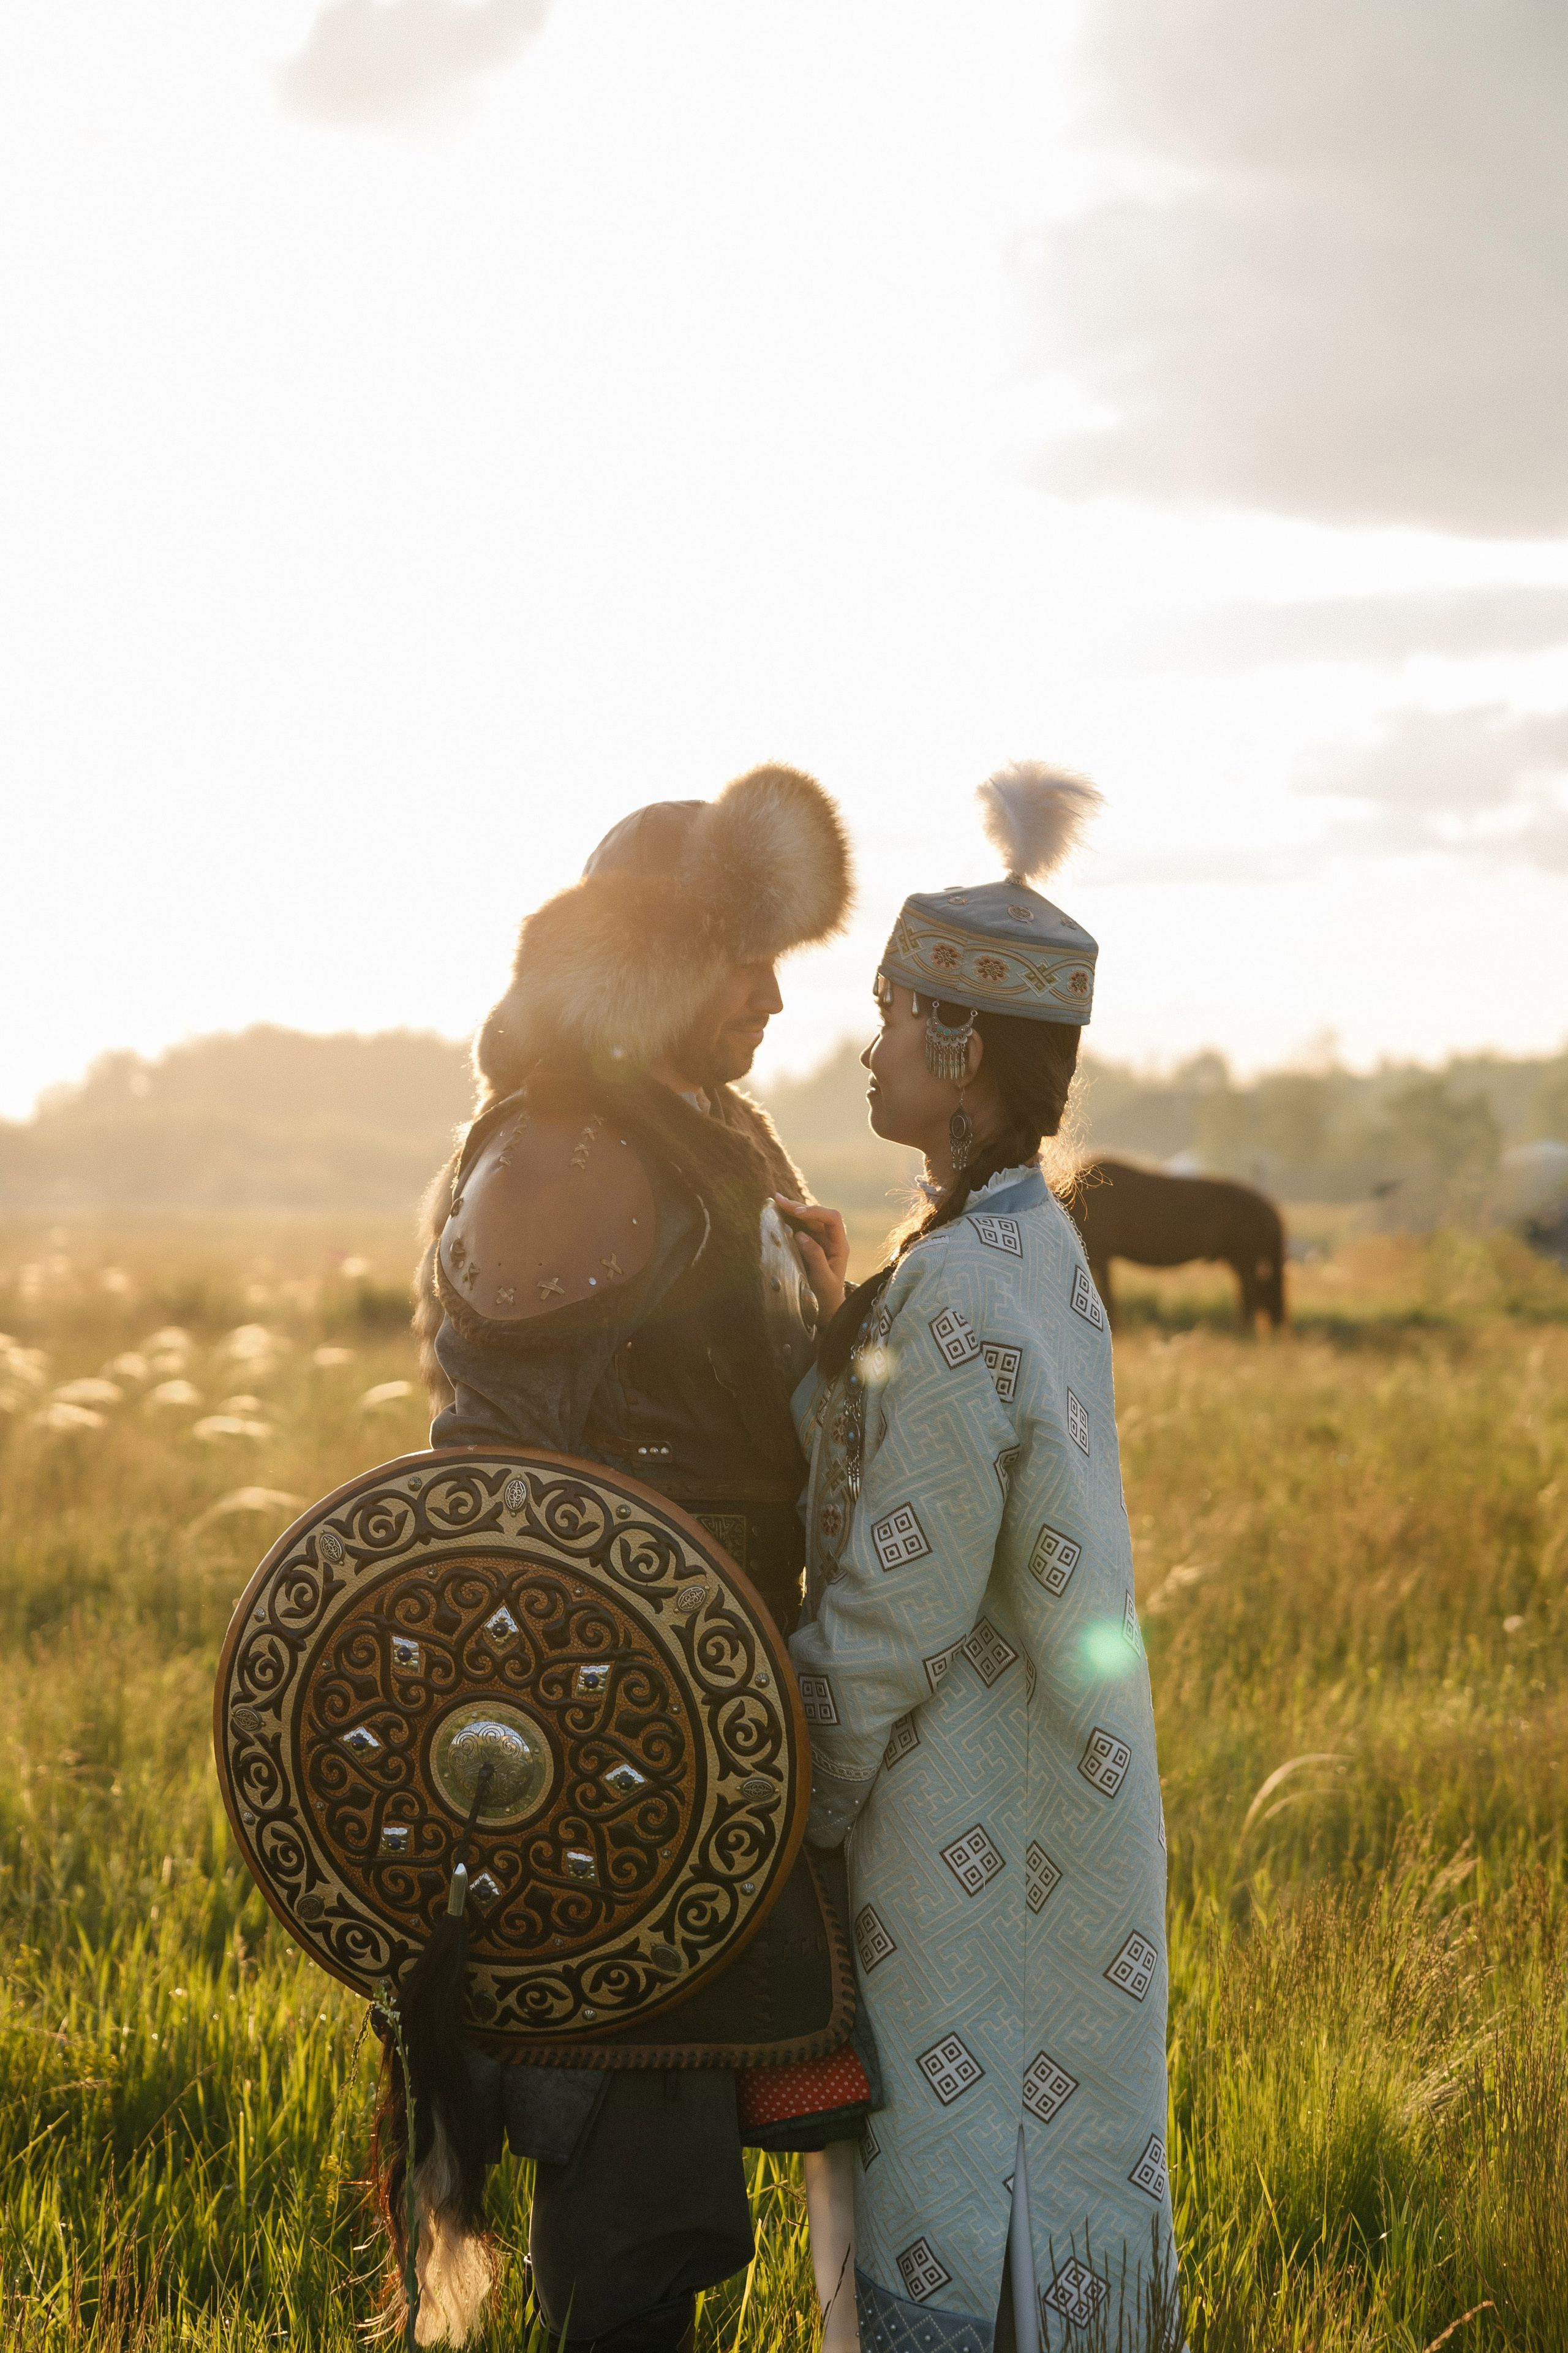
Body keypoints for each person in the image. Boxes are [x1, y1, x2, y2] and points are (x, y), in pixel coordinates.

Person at [405, 763, 870, 2352]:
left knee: (672, 2170)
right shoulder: (567, 1151)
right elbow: (507, 1487)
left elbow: (745, 1395)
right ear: (658, 966)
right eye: (741, 960)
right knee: (628, 2177)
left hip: (711, 1688)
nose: (770, 997)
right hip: (606, 1722)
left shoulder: (704, 1129)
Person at [781, 764, 1183, 2353]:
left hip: (962, 1847)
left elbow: (894, 1609)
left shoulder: (955, 1289)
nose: (870, 1042)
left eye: (889, 1012)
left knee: (969, 2207)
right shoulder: (1030, 1241)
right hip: (1062, 1811)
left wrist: (768, 1790)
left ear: (960, 1046)